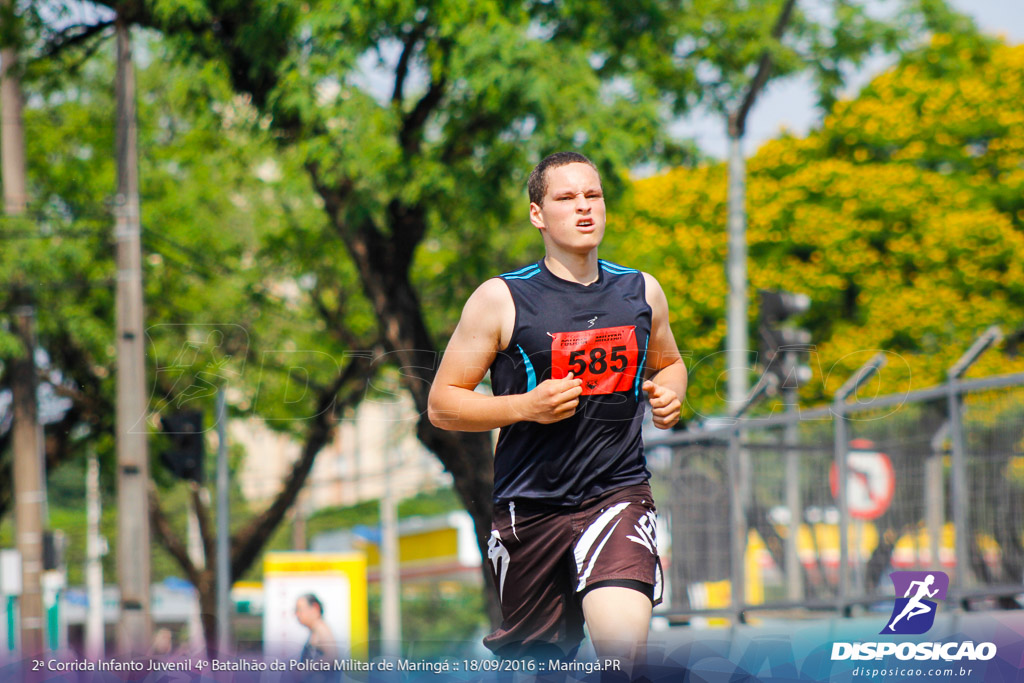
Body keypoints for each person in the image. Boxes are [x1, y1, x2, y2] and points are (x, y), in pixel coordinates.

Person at [428, 151, 687, 667]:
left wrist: (669, 393)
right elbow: (442, 405)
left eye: (593, 195)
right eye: (566, 198)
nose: (584, 208)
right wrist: (526, 406)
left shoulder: (640, 290)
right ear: (538, 214)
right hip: (529, 510)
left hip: (616, 495)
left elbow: (671, 362)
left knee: (623, 654)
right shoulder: (501, 298)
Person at [295, 594, 338, 661]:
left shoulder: (321, 628)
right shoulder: (315, 630)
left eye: (299, 609)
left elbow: (332, 657)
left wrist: (307, 668)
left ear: (315, 607)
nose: (297, 614)